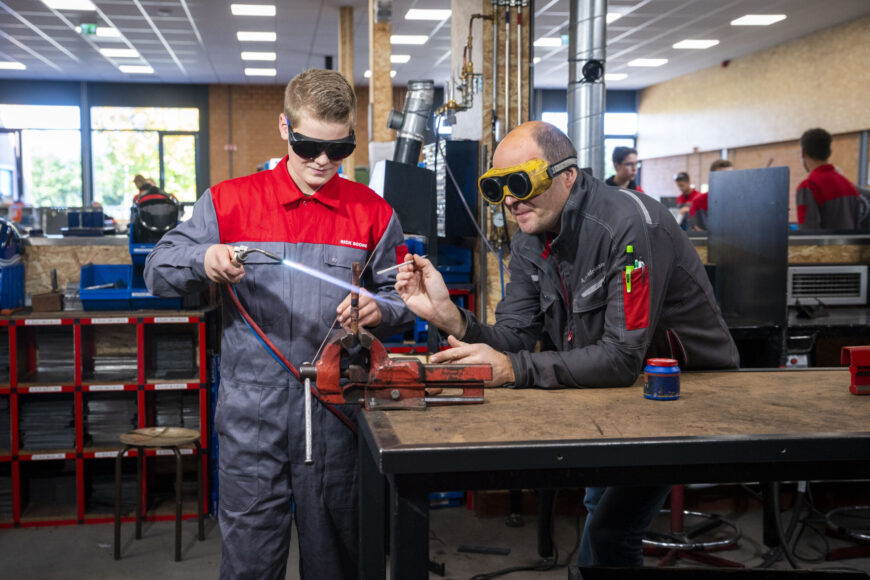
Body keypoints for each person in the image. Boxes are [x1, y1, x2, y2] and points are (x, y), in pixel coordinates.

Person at [395, 121, 739, 568]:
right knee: (601, 513)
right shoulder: (529, 239)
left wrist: (514, 369)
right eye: (497, 188)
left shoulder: (628, 226)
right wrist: (451, 318)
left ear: (567, 174)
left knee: (612, 532)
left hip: (686, 392)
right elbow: (515, 338)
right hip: (614, 390)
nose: (511, 201)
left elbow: (619, 357)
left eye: (521, 183)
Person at [144, 69, 414, 579]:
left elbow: (404, 296)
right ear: (285, 128)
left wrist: (382, 311)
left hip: (337, 415)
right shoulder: (229, 202)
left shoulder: (372, 212)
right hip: (253, 417)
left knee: (340, 560)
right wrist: (205, 258)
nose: (323, 163)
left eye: (339, 150)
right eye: (310, 145)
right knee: (249, 560)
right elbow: (157, 269)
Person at [796, 128, 861, 230]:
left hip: (824, 246)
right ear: (829, 152)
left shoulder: (809, 186)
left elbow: (807, 234)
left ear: (803, 152)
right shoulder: (850, 186)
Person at [688, 159, 734, 231]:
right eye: (722, 176)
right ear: (712, 177)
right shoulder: (698, 201)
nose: (727, 180)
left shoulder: (738, 201)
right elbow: (696, 229)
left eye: (730, 176)